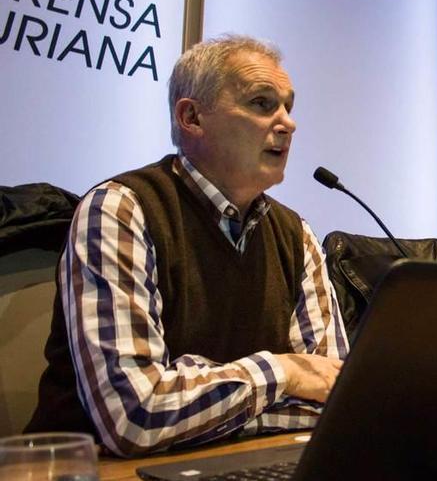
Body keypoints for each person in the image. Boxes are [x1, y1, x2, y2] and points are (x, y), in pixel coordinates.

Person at [25, 35, 349, 457]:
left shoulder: (295, 234)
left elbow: (336, 395)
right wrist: (282, 372)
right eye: (262, 103)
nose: (287, 122)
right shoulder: (121, 210)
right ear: (192, 117)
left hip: (235, 464)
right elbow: (136, 417)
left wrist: (190, 386)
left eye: (288, 106)